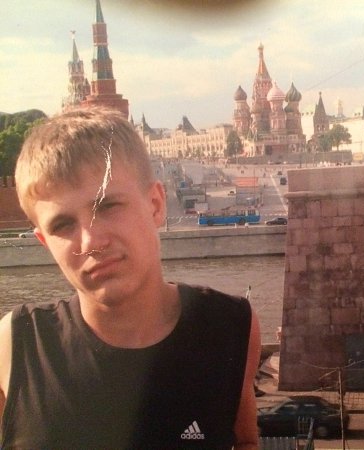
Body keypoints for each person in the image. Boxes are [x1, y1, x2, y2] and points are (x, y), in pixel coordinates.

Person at [1, 107, 261, 449]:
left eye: (107, 207)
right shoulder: (14, 345)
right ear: (45, 242)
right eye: (62, 225)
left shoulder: (230, 327)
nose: (91, 241)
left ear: (155, 204)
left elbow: (245, 441)